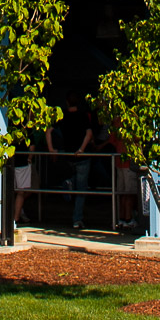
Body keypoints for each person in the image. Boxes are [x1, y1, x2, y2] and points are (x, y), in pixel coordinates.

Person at [60, 94, 97, 231]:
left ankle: (67, 186)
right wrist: (81, 149)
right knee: (81, 189)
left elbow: (50, 130)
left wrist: (52, 148)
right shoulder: (82, 116)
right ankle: (77, 218)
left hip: (68, 154)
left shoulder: (62, 116)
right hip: (82, 156)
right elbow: (89, 134)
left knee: (72, 183)